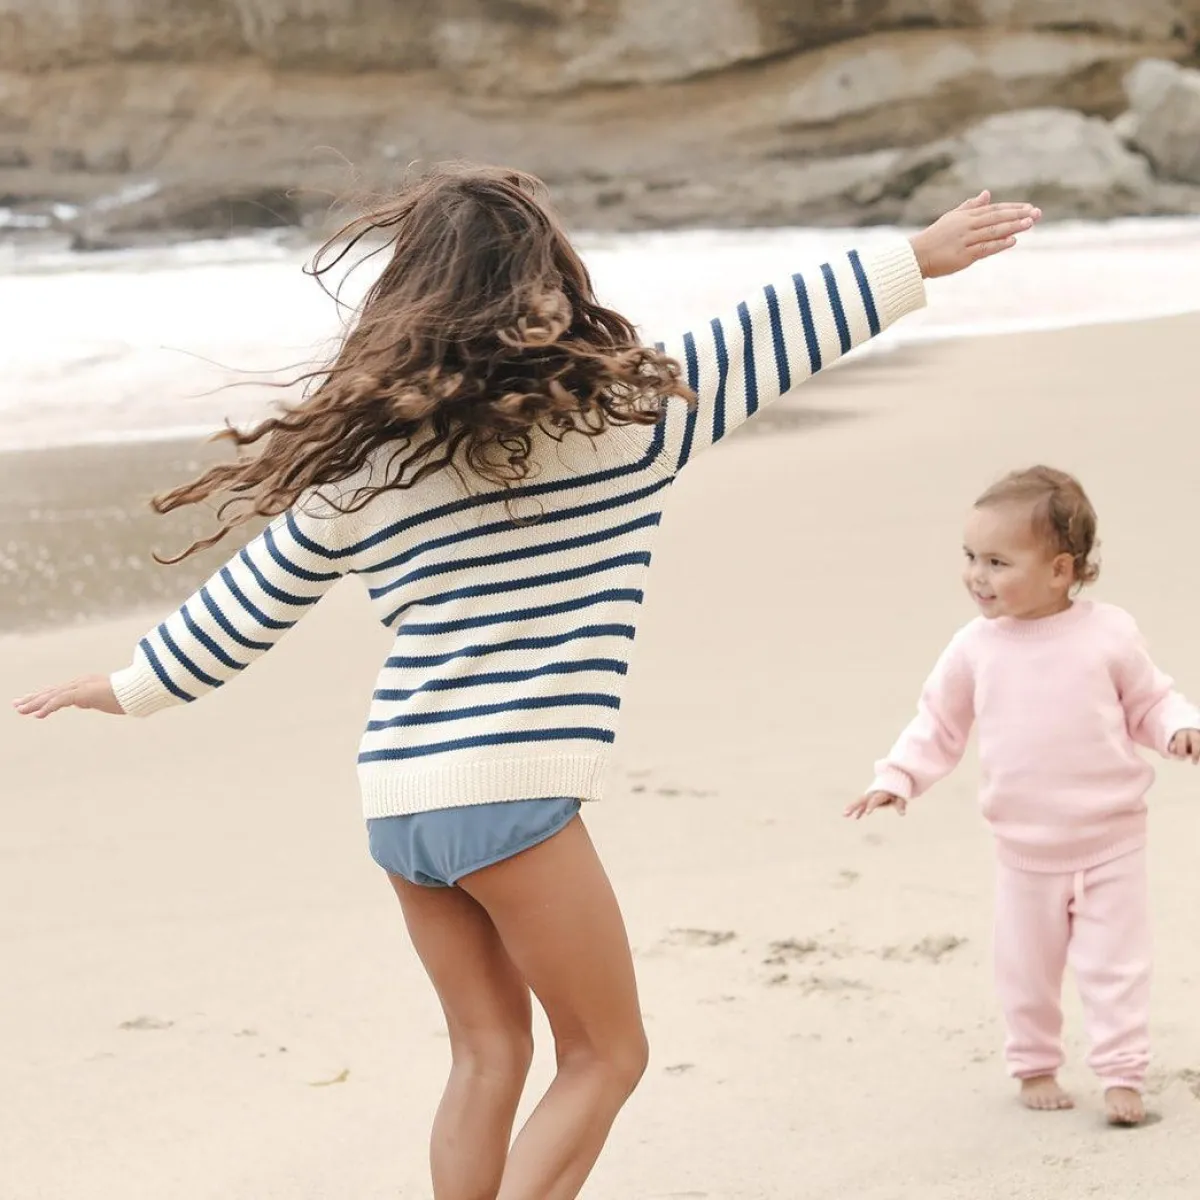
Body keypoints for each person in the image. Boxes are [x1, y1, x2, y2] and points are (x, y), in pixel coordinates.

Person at [14, 163, 1039, 1200]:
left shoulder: (364, 469)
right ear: (546, 286)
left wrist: (130, 684)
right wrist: (915, 259)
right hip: (507, 792)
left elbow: (244, 607)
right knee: (606, 1055)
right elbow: (764, 334)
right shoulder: (627, 421)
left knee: (486, 1054)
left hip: (398, 798)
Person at [847, 466, 1200, 1128]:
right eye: (970, 557)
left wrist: (1179, 728)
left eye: (998, 562)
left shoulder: (1109, 633)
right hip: (1025, 851)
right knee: (1026, 969)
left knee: (1117, 967)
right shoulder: (974, 648)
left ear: (1060, 570)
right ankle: (1035, 1063)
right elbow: (938, 725)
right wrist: (897, 776)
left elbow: (1150, 700)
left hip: (1112, 842)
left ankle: (1122, 1072)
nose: (976, 576)